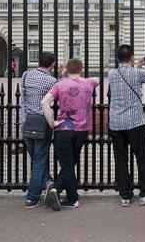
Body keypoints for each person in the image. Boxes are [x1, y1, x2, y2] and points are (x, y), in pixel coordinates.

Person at [41, 58, 99, 210]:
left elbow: (44, 102)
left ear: (66, 69)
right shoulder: (89, 83)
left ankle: (70, 196)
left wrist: (52, 123)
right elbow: (97, 79)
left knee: (67, 164)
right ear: (82, 68)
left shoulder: (59, 85)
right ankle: (60, 191)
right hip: (81, 130)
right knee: (70, 163)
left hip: (64, 129)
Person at [108, 44, 145, 207]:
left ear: (117, 59)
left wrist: (134, 65)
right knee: (142, 157)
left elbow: (125, 73)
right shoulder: (138, 73)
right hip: (135, 121)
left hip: (116, 122)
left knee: (120, 159)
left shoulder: (112, 73)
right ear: (131, 57)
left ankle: (125, 195)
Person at [20, 52, 58, 208]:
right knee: (39, 160)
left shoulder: (26, 75)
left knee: (36, 159)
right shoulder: (51, 81)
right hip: (42, 123)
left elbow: (22, 98)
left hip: (27, 121)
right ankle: (32, 197)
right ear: (52, 64)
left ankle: (48, 184)